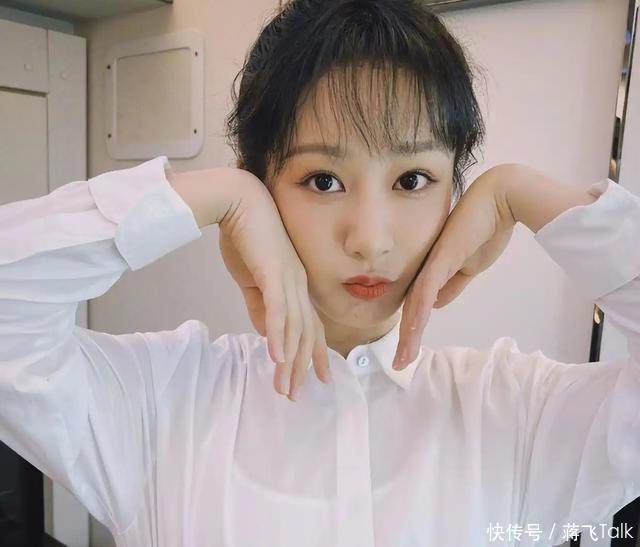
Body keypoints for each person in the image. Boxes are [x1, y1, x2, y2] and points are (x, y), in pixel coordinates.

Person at [1, 1, 639, 545]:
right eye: (322, 180)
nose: (369, 240)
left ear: (455, 194)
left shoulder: (523, 415)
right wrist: (217, 195)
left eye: (413, 179)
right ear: (263, 191)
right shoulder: (161, 403)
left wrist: (524, 195)